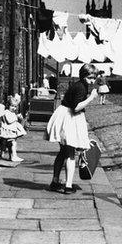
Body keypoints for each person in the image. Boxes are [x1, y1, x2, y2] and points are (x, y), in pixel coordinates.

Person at [46, 63, 98, 194]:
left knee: (63, 152)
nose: (92, 81)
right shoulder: (81, 87)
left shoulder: (80, 85)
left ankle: (55, 181)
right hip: (69, 118)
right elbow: (76, 107)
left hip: (65, 116)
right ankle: (68, 186)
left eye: (94, 78)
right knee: (70, 153)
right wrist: (91, 98)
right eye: (90, 78)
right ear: (83, 76)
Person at [0, 95, 27, 162]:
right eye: (12, 106)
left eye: (15, 106)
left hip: (11, 132)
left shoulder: (12, 113)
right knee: (10, 144)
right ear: (8, 105)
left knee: (12, 144)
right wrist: (16, 117)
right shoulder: (6, 112)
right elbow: (9, 120)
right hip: (8, 132)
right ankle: (12, 156)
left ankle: (13, 155)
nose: (13, 108)